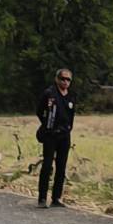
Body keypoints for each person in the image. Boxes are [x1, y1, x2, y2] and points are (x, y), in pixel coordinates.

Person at [35, 68, 76, 208]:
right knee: (47, 166)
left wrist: (69, 128)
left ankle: (56, 198)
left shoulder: (71, 96)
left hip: (65, 135)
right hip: (51, 134)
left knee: (61, 166)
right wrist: (47, 124)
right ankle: (42, 198)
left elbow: (72, 114)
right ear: (57, 79)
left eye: (68, 79)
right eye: (63, 79)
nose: (65, 82)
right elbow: (39, 111)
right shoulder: (50, 93)